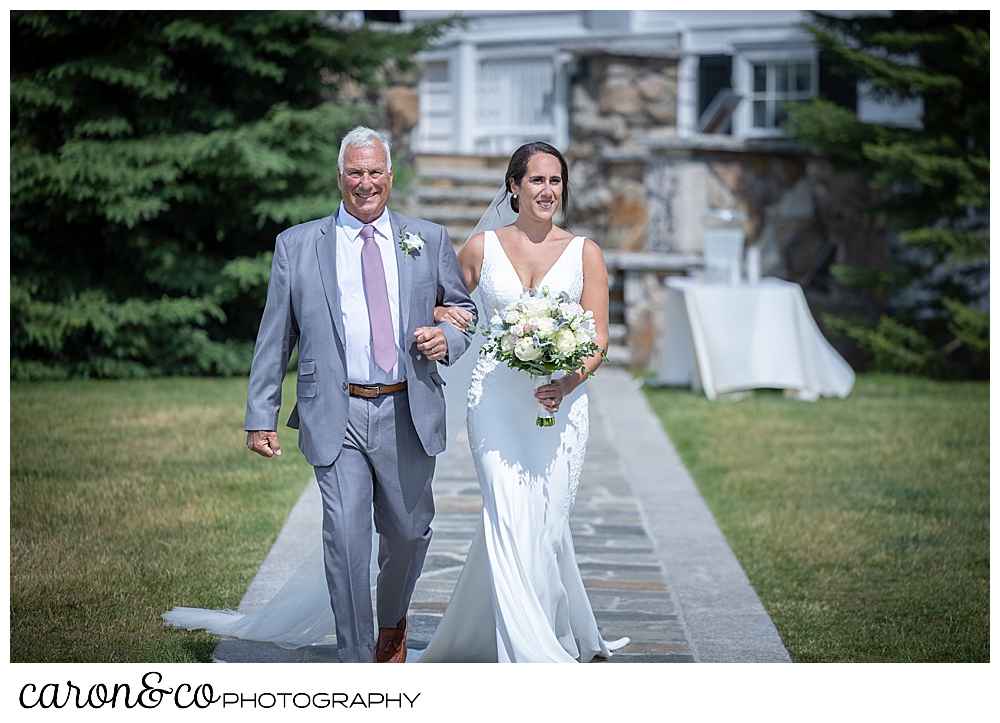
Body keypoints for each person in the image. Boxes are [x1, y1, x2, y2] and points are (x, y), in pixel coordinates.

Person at [226, 126, 474, 663]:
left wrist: (447, 337)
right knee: (346, 539)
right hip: (333, 412)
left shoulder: (426, 238)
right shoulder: (297, 245)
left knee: (410, 533)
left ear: (391, 176)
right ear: (339, 177)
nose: (366, 183)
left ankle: (391, 622)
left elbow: (463, 311)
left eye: (375, 171)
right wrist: (260, 415)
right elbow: (276, 335)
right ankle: (358, 662)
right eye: (355, 172)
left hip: (407, 407)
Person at [415, 141, 628, 662]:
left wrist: (569, 383)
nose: (547, 191)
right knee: (509, 513)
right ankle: (529, 655)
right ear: (513, 186)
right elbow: (442, 301)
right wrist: (444, 321)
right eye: (537, 180)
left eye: (555, 181)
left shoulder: (585, 253)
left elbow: (598, 339)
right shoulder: (481, 249)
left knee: (547, 524)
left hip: (558, 407)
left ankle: (531, 629)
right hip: (494, 402)